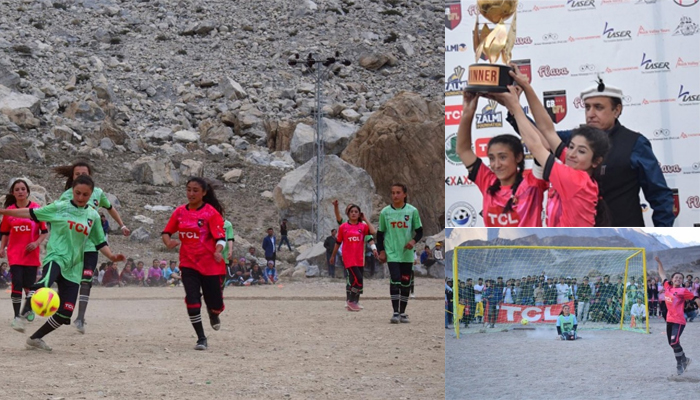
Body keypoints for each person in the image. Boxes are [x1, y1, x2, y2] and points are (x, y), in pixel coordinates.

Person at [504, 76, 674, 227]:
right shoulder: (577, 138)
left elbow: (659, 195)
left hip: (624, 238)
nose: (591, 114)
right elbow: (545, 133)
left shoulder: (635, 143)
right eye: (587, 107)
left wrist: (662, 232)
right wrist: (519, 99)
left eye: (598, 107)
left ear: (617, 110)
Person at [0, 174, 125, 351]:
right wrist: (3, 212)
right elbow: (29, 213)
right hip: (56, 257)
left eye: (85, 195)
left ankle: (35, 338)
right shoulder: (60, 207)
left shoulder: (93, 216)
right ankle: (23, 314)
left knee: (66, 312)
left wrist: (112, 257)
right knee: (44, 283)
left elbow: (99, 242)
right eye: (77, 193)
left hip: (74, 266)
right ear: (72, 191)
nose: (81, 198)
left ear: (91, 195)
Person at [489, 68, 611, 226]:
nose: (571, 154)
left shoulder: (576, 180)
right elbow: (547, 131)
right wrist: (526, 86)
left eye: (581, 151)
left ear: (596, 161)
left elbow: (536, 146)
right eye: (571, 146)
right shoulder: (577, 170)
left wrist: (514, 106)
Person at [54, 160, 131, 334]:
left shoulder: (97, 193)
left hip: (91, 245)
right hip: (71, 246)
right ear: (72, 178)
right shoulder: (66, 196)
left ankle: (80, 318)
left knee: (86, 280)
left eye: (85, 174)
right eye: (77, 174)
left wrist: (122, 225)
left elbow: (110, 208)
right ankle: (63, 310)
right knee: (66, 279)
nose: (82, 176)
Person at [456, 91, 548, 227]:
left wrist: (514, 108)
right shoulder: (487, 181)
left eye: (503, 157)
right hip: (495, 248)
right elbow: (463, 150)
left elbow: (543, 147)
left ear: (518, 157)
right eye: (492, 158)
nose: (496, 165)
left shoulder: (533, 182)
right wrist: (468, 112)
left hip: (529, 248)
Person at [162, 177, 226, 351]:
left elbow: (221, 238)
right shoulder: (180, 212)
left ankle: (214, 313)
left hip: (210, 265)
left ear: (204, 193)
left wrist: (218, 250)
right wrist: (168, 242)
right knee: (192, 300)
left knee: (216, 303)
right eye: (188, 189)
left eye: (195, 190)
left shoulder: (211, 213)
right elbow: (166, 232)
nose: (191, 193)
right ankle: (201, 338)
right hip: (188, 263)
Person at [0, 179, 49, 331]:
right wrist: (2, 248)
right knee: (17, 283)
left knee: (29, 286)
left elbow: (44, 232)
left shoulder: (36, 209)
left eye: (23, 189)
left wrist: (36, 243)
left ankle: (29, 308)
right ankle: (17, 317)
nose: (20, 191)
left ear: (28, 191)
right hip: (15, 254)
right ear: (12, 193)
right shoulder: (10, 211)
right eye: (17, 189)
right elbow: (5, 233)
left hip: (32, 254)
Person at [376, 183, 423, 324]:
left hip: (406, 254)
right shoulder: (385, 212)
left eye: (398, 192)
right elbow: (380, 234)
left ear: (404, 194)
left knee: (405, 282)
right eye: (392, 192)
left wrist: (413, 242)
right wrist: (382, 251)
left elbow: (419, 231)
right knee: (395, 280)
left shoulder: (412, 211)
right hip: (392, 253)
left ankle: (403, 312)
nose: (395, 195)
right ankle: (395, 312)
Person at [656, 256, 700, 375]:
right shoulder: (667, 287)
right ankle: (683, 362)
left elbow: (696, 298)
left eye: (680, 278)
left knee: (674, 342)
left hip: (679, 321)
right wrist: (659, 262)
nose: (678, 279)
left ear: (682, 281)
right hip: (669, 320)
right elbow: (662, 274)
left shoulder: (683, 291)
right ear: (672, 279)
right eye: (676, 277)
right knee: (672, 344)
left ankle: (682, 362)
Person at [329, 204, 377, 312]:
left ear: (359, 214)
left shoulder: (363, 226)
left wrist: (365, 219)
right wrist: (333, 256)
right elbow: (337, 242)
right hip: (348, 258)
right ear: (348, 214)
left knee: (357, 280)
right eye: (352, 211)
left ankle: (354, 301)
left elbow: (373, 232)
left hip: (359, 258)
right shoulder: (343, 227)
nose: (354, 213)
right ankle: (350, 300)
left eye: (356, 211)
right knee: (357, 279)